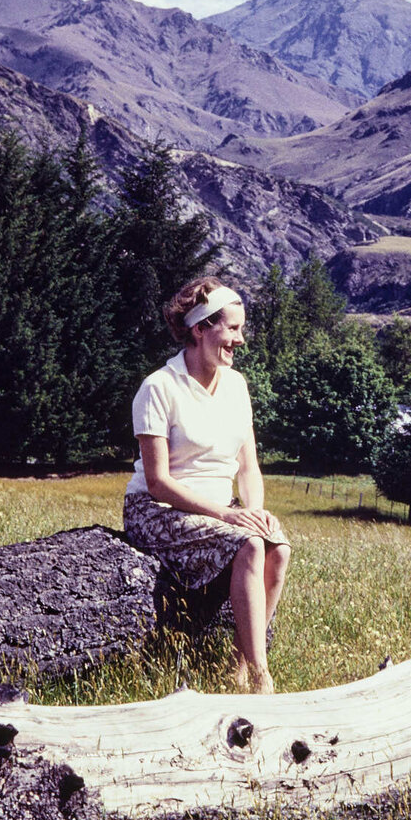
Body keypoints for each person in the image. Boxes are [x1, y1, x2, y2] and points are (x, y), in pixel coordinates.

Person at [123, 276, 291, 694]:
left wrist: (255, 510)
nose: (241, 340)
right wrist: (229, 516)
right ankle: (261, 678)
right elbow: (159, 482)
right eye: (231, 329)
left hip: (220, 507)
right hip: (155, 510)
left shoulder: (236, 386)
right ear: (200, 329)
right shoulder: (158, 387)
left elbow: (247, 464)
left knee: (277, 547)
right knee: (248, 545)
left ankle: (237, 665)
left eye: (241, 329)